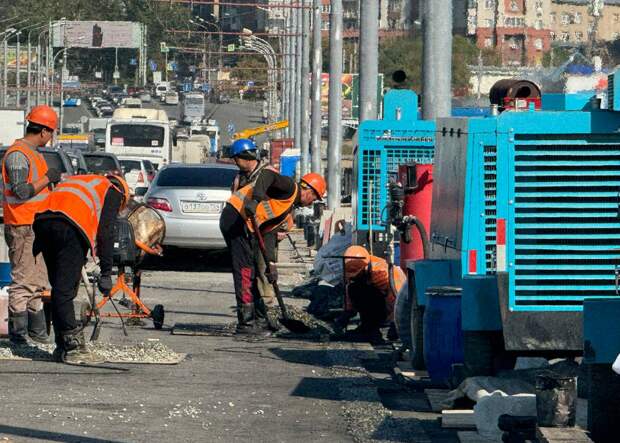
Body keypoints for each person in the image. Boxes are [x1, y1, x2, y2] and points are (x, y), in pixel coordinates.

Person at [220, 149, 326, 336]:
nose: (311, 204)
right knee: (244, 271)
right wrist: (255, 200)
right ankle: (245, 324)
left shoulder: (286, 208)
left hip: (245, 224)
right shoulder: (290, 187)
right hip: (235, 217)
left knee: (253, 271)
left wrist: (270, 264)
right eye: (314, 199)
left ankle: (259, 319)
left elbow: (267, 234)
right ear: (308, 190)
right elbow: (268, 174)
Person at [32, 174, 130, 364]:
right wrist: (106, 273)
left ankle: (62, 344)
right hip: (69, 226)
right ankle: (75, 349)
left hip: (43, 222)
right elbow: (106, 232)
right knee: (65, 291)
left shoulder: (84, 181)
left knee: (60, 289)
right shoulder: (113, 191)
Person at [2, 105, 61, 345]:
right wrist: (48, 178)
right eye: (52, 132)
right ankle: (18, 335)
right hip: (22, 226)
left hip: (36, 226)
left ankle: (37, 333)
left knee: (37, 282)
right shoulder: (18, 155)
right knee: (23, 281)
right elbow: (21, 191)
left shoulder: (33, 153)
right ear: (44, 131)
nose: (51, 137)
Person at [228, 139, 280, 322]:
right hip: (247, 230)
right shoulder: (239, 178)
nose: (235, 162)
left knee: (264, 269)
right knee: (248, 272)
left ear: (246, 156)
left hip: (266, 229)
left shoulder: (268, 174)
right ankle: (256, 314)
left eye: (237, 158)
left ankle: (268, 313)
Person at [336, 245, 406, 344]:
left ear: (364, 267)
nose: (354, 277)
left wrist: (396, 323)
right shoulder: (355, 270)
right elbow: (349, 288)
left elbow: (398, 300)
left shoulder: (382, 272)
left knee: (366, 291)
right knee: (355, 288)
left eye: (357, 274)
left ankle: (373, 329)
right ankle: (366, 327)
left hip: (392, 310)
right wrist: (347, 312)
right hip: (383, 306)